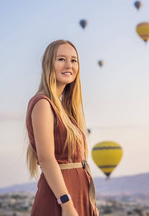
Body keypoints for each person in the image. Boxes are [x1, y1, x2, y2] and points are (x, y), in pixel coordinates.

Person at [25, 39, 98, 216]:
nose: (69, 65)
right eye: (61, 59)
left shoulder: (65, 109)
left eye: (74, 60)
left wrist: (90, 204)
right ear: (48, 64)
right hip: (60, 198)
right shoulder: (43, 103)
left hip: (79, 195)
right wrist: (65, 203)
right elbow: (47, 158)